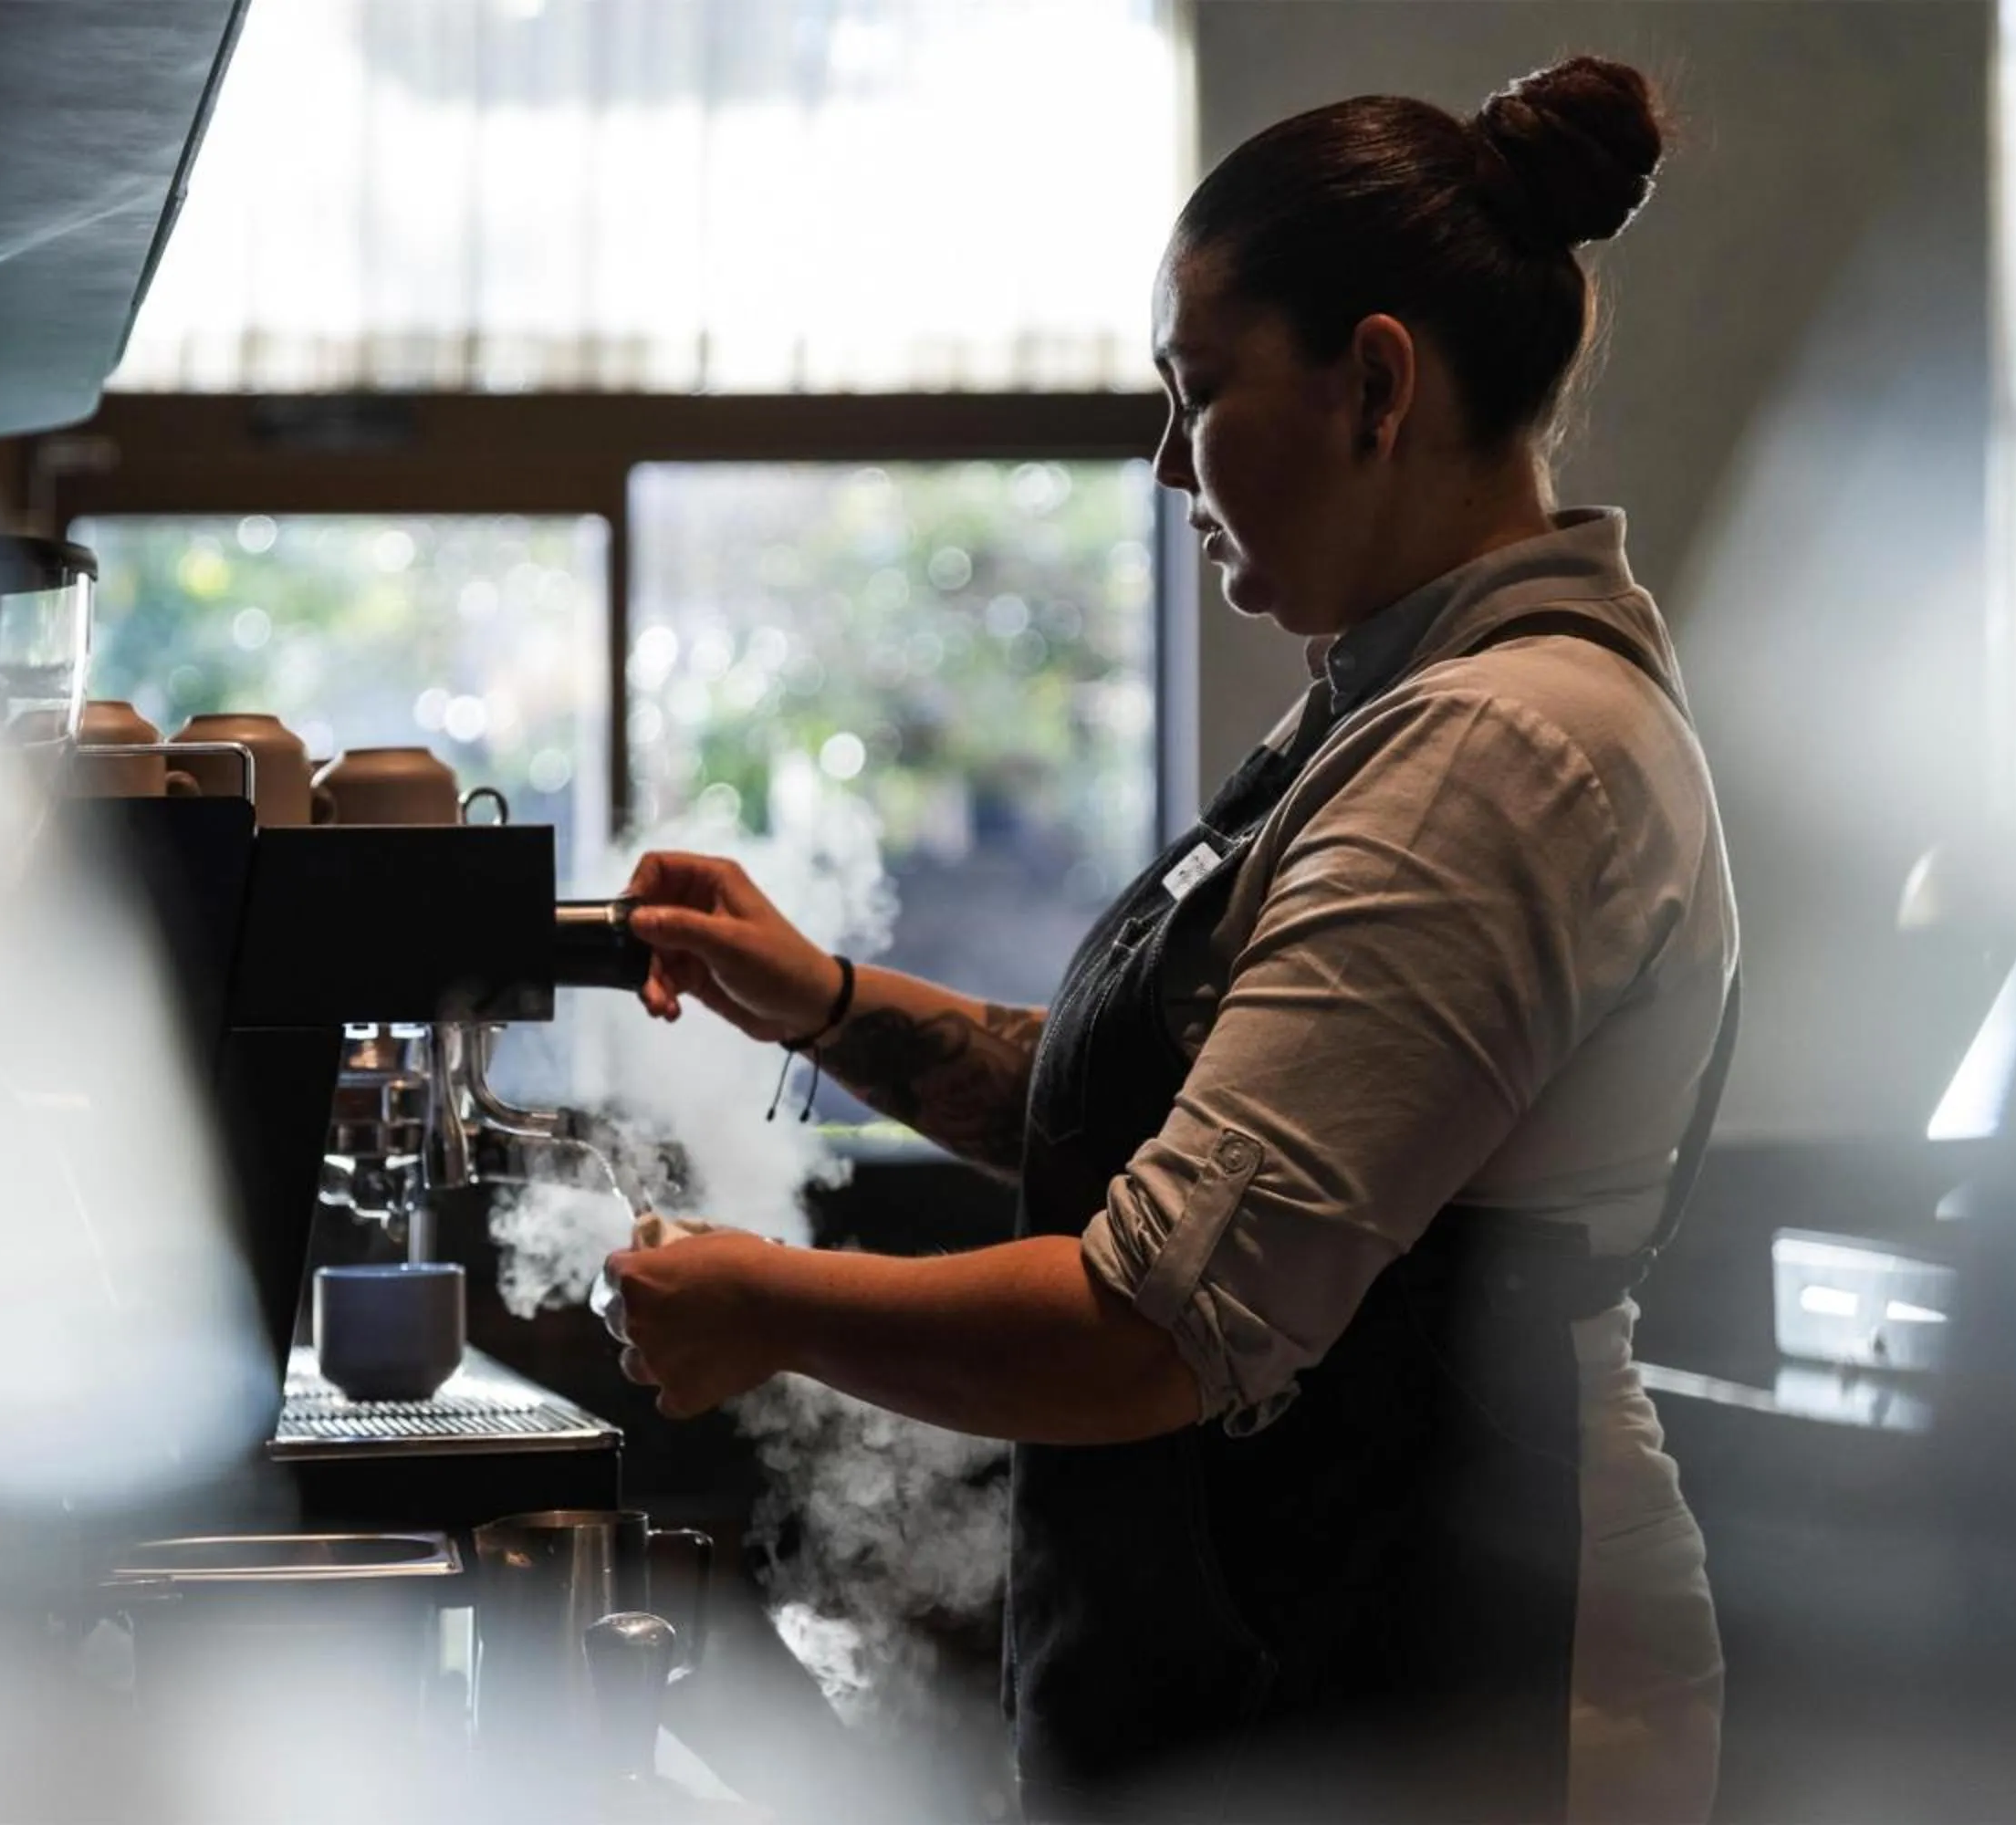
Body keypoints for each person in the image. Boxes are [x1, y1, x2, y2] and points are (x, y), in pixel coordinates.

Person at [606, 56, 1737, 1825]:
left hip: (1451, 1664)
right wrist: (822, 1001)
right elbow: (1180, 1125)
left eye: (1195, 395)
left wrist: (766, 1306)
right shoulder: (1390, 705)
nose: (1163, 465)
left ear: (1376, 385)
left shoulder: (1500, 752)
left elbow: (1152, 1320)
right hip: (1304, 1635)